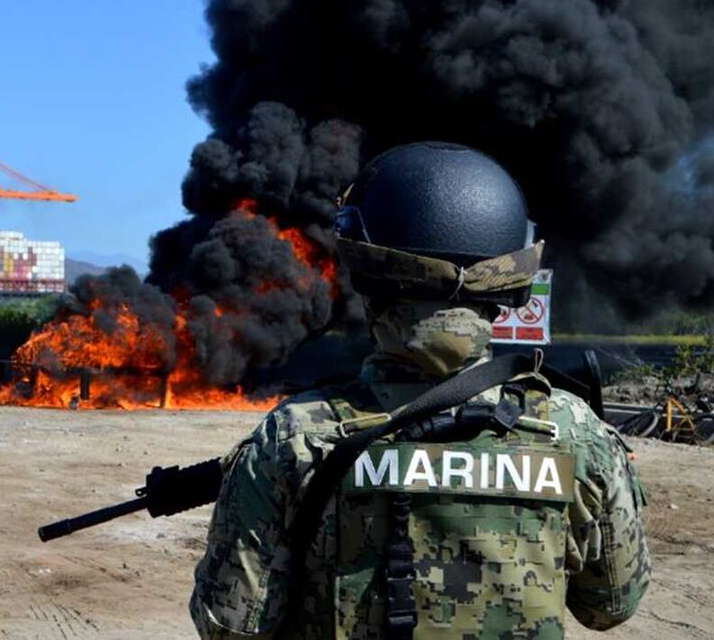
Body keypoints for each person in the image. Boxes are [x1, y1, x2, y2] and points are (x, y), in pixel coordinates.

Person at [190, 142, 650, 639]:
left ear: (366, 275)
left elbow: (229, 627)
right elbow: (611, 605)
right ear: (512, 284)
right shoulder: (574, 433)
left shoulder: (298, 437)